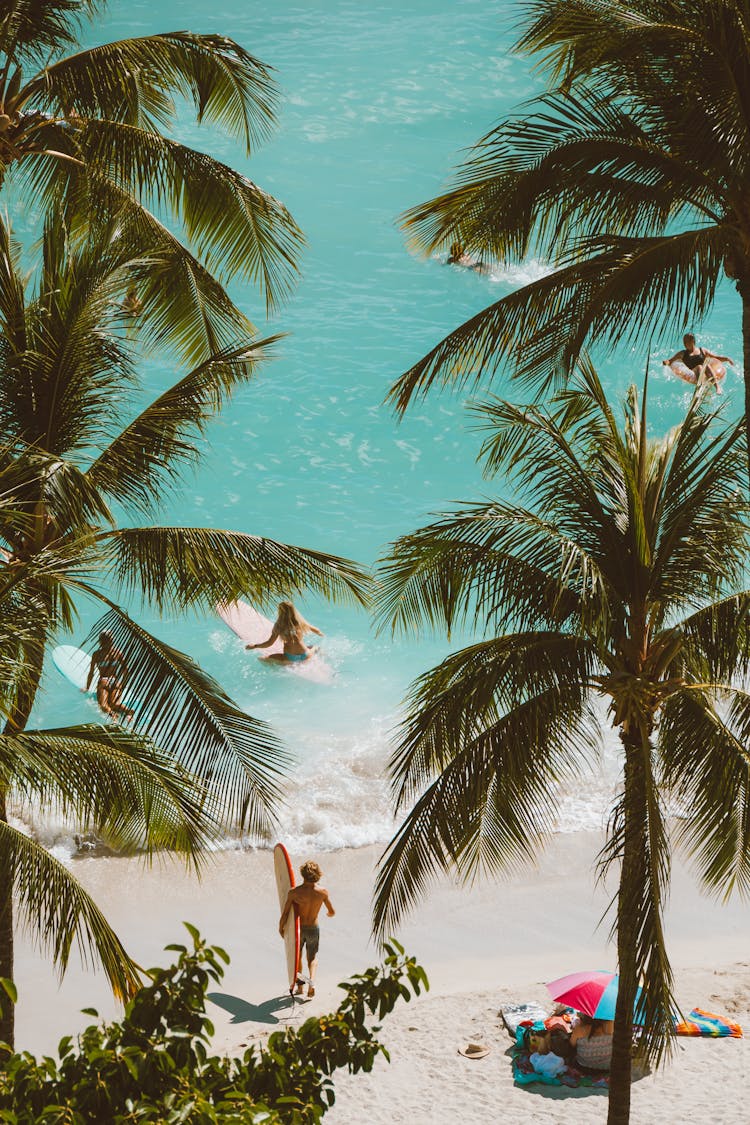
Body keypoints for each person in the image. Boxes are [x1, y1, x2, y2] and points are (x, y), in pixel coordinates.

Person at [279, 860, 335, 999]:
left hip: (298, 930)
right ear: (317, 875)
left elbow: (285, 913)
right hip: (313, 929)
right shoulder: (322, 892)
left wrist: (281, 928)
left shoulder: (294, 892)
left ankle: (300, 987)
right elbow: (332, 911)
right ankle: (312, 982)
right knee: (312, 958)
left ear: (302, 875)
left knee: (297, 958)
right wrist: (328, 914)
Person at [246, 601, 323, 663]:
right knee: (314, 647)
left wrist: (254, 646)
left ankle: (281, 667)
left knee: (263, 658)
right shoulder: (299, 622)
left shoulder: (279, 626)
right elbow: (316, 630)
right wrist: (320, 633)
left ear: (280, 611)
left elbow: (269, 643)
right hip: (305, 655)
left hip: (290, 658)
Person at [84, 631, 134, 723]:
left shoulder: (96, 654)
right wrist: (122, 685)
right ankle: (128, 712)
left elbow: (91, 673)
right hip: (115, 682)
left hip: (104, 681)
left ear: (101, 642)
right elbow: (126, 672)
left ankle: (113, 717)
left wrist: (87, 688)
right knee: (115, 704)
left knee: (103, 705)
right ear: (112, 641)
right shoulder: (118, 653)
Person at [663, 333, 734, 393]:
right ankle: (700, 388)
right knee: (699, 367)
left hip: (705, 371)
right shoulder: (682, 353)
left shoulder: (702, 350)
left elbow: (715, 357)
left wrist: (727, 359)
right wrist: (666, 362)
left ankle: (717, 387)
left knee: (706, 365)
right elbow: (670, 361)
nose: (684, 344)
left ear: (692, 341)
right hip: (693, 373)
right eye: (684, 341)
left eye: (686, 341)